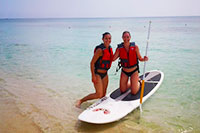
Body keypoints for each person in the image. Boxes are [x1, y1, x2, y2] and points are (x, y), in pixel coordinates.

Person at [76, 32, 113, 108]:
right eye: (106, 38)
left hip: (105, 74)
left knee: (103, 95)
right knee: (98, 94)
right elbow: (92, 63)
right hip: (98, 74)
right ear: (103, 39)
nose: (108, 40)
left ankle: (99, 107)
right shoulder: (100, 50)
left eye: (109, 38)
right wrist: (93, 76)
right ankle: (81, 100)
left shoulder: (109, 49)